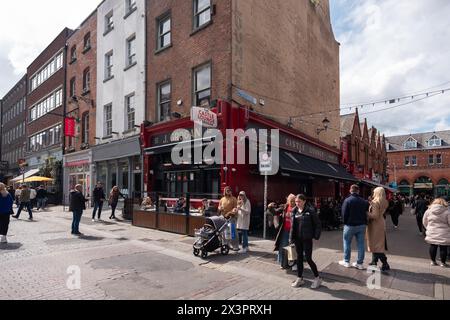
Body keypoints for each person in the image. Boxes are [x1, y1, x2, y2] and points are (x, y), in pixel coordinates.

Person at [289, 194, 322, 289]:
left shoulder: (310, 211)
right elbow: (292, 227)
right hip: (297, 239)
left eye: (299, 201)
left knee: (308, 258)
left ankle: (317, 278)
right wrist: (291, 238)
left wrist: (315, 236)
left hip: (307, 239)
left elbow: (318, 224)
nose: (297, 203)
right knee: (299, 258)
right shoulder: (294, 211)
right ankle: (300, 278)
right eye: (296, 201)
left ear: (304, 201)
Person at [339, 184, 369, 270]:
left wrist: (345, 223)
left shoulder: (347, 200)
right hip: (362, 225)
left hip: (350, 225)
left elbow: (344, 214)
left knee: (347, 243)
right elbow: (366, 212)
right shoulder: (364, 201)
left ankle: (346, 261)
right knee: (360, 244)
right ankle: (360, 263)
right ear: (358, 191)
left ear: (350, 190)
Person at [367, 187, 390, 272]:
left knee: (376, 245)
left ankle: (385, 263)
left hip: (375, 225)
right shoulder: (385, 201)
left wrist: (366, 213)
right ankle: (374, 262)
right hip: (381, 223)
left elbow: (375, 216)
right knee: (377, 244)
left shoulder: (375, 202)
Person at [422, 198, 450, 267]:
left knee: (433, 246)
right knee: (443, 247)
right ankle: (443, 263)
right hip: (444, 232)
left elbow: (424, 221)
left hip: (432, 231)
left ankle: (433, 261)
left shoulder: (428, 211)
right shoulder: (447, 211)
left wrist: (428, 228)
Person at [274, 194, 296, 269]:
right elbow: (275, 212)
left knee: (292, 248)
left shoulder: (297, 208)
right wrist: (270, 207)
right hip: (285, 230)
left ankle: (293, 264)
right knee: (283, 246)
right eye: (291, 201)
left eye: (294, 201)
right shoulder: (285, 207)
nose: (292, 203)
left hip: (293, 231)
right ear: (288, 201)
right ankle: (283, 263)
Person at [218, 186, 238, 251]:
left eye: (229, 190)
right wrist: (219, 208)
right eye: (227, 190)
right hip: (223, 217)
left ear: (231, 191)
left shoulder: (234, 199)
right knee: (224, 232)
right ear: (225, 191)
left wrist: (230, 213)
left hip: (231, 217)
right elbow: (219, 206)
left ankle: (234, 245)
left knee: (232, 232)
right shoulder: (222, 199)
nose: (228, 191)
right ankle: (226, 244)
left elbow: (235, 208)